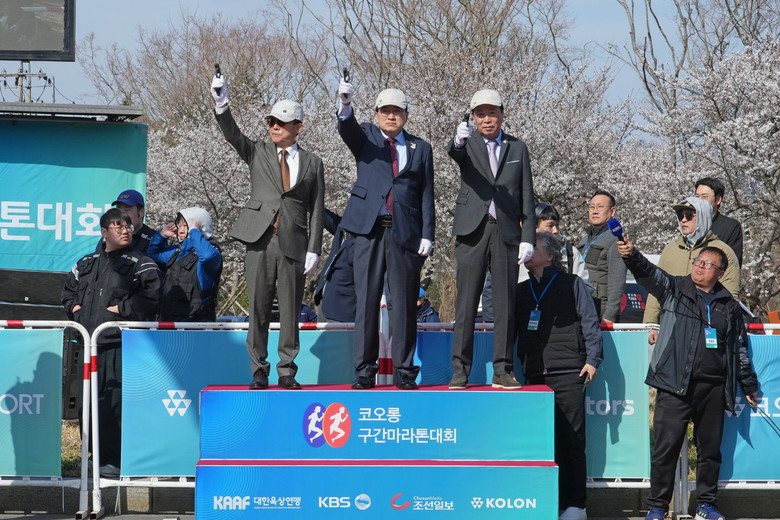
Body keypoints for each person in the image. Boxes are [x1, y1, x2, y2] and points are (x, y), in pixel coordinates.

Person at [617, 238, 758, 520]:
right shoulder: (675, 288)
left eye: (708, 264)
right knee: (665, 449)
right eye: (698, 261)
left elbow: (739, 348)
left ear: (720, 272)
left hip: (713, 386)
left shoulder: (729, 306)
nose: (700, 267)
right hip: (674, 384)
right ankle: (657, 507)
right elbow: (649, 273)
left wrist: (749, 383)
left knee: (710, 451)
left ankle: (706, 505)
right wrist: (632, 255)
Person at [211, 73, 324, 390]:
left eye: (281, 123)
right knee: (258, 308)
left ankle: (287, 370)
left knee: (290, 310)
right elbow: (233, 134)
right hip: (259, 239)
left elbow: (317, 207)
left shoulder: (313, 162)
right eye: (271, 121)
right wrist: (222, 103)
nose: (274, 127)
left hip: (294, 242)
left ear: (298, 127)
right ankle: (258, 369)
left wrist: (314, 247)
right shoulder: (257, 151)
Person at [336, 78, 435, 390]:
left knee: (404, 305)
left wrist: (428, 234)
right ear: (376, 114)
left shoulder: (421, 148)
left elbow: (426, 193)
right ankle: (365, 372)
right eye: (385, 111)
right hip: (367, 231)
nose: (391, 116)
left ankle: (405, 371)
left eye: (397, 111)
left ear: (406, 114)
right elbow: (347, 129)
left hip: (405, 233)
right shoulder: (366, 136)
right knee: (366, 301)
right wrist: (346, 106)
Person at [62, 208, 161, 477]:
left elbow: (151, 296)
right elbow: (68, 292)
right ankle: (93, 456)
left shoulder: (141, 263)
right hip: (88, 345)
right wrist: (76, 310)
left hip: (119, 345)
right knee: (87, 404)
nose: (126, 230)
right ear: (104, 232)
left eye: (128, 226)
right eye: (119, 227)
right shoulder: (86, 262)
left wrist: (119, 310)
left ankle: (115, 460)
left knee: (114, 404)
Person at [448, 89, 536, 390]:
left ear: (502, 114)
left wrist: (528, 236)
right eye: (481, 114)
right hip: (472, 230)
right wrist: (458, 141)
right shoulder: (467, 143)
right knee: (466, 303)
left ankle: (503, 370)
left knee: (505, 305)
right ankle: (460, 370)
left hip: (506, 230)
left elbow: (527, 193)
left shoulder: (517, 147)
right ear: (473, 117)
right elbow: (455, 153)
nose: (487, 119)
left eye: (492, 113)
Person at [516, 232, 601, 520]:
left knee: (572, 440)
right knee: (541, 441)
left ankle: (576, 504)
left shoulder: (572, 283)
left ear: (550, 256)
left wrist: (592, 360)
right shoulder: (521, 290)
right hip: (534, 373)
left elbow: (590, 322)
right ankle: (546, 501)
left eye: (535, 248)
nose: (528, 253)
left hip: (568, 371)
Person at [643, 196, 740, 345]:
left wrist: (723, 327)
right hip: (670, 327)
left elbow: (730, 295)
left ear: (703, 217)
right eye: (680, 216)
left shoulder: (723, 252)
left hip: (706, 327)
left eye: (689, 216)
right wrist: (651, 324)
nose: (683, 220)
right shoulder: (670, 250)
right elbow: (656, 287)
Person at [147, 207, 223, 322]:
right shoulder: (179, 252)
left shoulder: (212, 254)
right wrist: (162, 235)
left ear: (200, 228)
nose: (180, 231)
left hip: (196, 325)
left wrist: (194, 232)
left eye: (185, 226)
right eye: (179, 225)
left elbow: (207, 256)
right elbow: (154, 254)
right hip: (169, 322)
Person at [576, 190, 627, 324]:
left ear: (612, 211)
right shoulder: (584, 240)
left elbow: (617, 281)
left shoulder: (615, 240)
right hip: (581, 307)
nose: (595, 211)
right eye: (592, 207)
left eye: (600, 207)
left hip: (600, 311)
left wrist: (609, 315)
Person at [314, 208, 356, 323]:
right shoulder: (343, 226)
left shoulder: (368, 236)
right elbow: (323, 216)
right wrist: (310, 200)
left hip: (344, 311)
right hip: (325, 303)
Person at [695, 177, 743, 266]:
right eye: (697, 196)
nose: (699, 201)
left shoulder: (731, 227)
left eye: (704, 197)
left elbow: (734, 263)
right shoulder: (687, 222)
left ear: (718, 200)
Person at [96, 189, 155, 254]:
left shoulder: (154, 239)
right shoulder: (110, 236)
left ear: (141, 212)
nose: (122, 214)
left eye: (127, 210)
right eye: (119, 210)